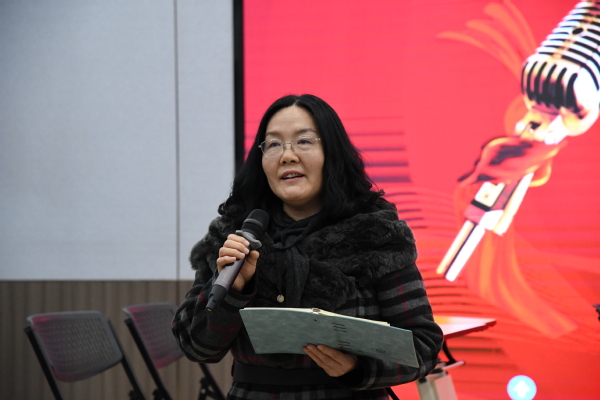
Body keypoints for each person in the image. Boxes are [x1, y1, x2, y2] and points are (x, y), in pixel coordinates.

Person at [172, 94, 443, 399]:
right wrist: (234, 290)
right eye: (273, 144)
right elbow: (195, 346)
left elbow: (423, 347)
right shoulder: (234, 235)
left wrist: (357, 368)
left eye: (303, 141)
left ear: (332, 153)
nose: (287, 156)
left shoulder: (375, 234)